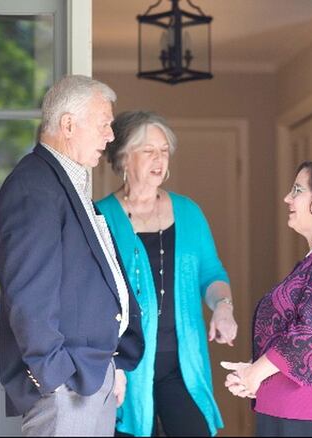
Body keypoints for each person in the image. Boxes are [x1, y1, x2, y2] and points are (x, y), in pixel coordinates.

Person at [0, 75, 144, 436]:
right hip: (68, 385)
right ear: (69, 125)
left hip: (89, 375)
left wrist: (112, 364)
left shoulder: (66, 183)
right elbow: (29, 295)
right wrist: (55, 376)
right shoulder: (33, 187)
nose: (110, 136)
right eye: (104, 124)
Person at [95, 110, 238, 437]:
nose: (159, 159)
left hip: (182, 364)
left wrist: (224, 307)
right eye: (148, 151)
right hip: (124, 366)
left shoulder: (188, 211)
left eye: (164, 150)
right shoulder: (101, 217)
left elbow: (211, 273)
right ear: (123, 158)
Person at [222, 160, 312, 437]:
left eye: (298, 190)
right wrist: (258, 372)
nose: (287, 198)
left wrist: (256, 373)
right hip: (294, 405)